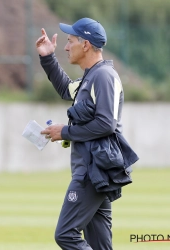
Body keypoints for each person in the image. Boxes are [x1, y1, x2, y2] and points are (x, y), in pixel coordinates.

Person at [36, 18, 137, 249]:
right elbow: (65, 89)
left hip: (93, 172)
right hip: (93, 170)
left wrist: (65, 131)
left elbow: (106, 124)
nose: (66, 46)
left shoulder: (103, 76)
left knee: (65, 234)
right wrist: (47, 57)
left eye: (70, 41)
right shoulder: (90, 77)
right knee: (100, 245)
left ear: (86, 44)